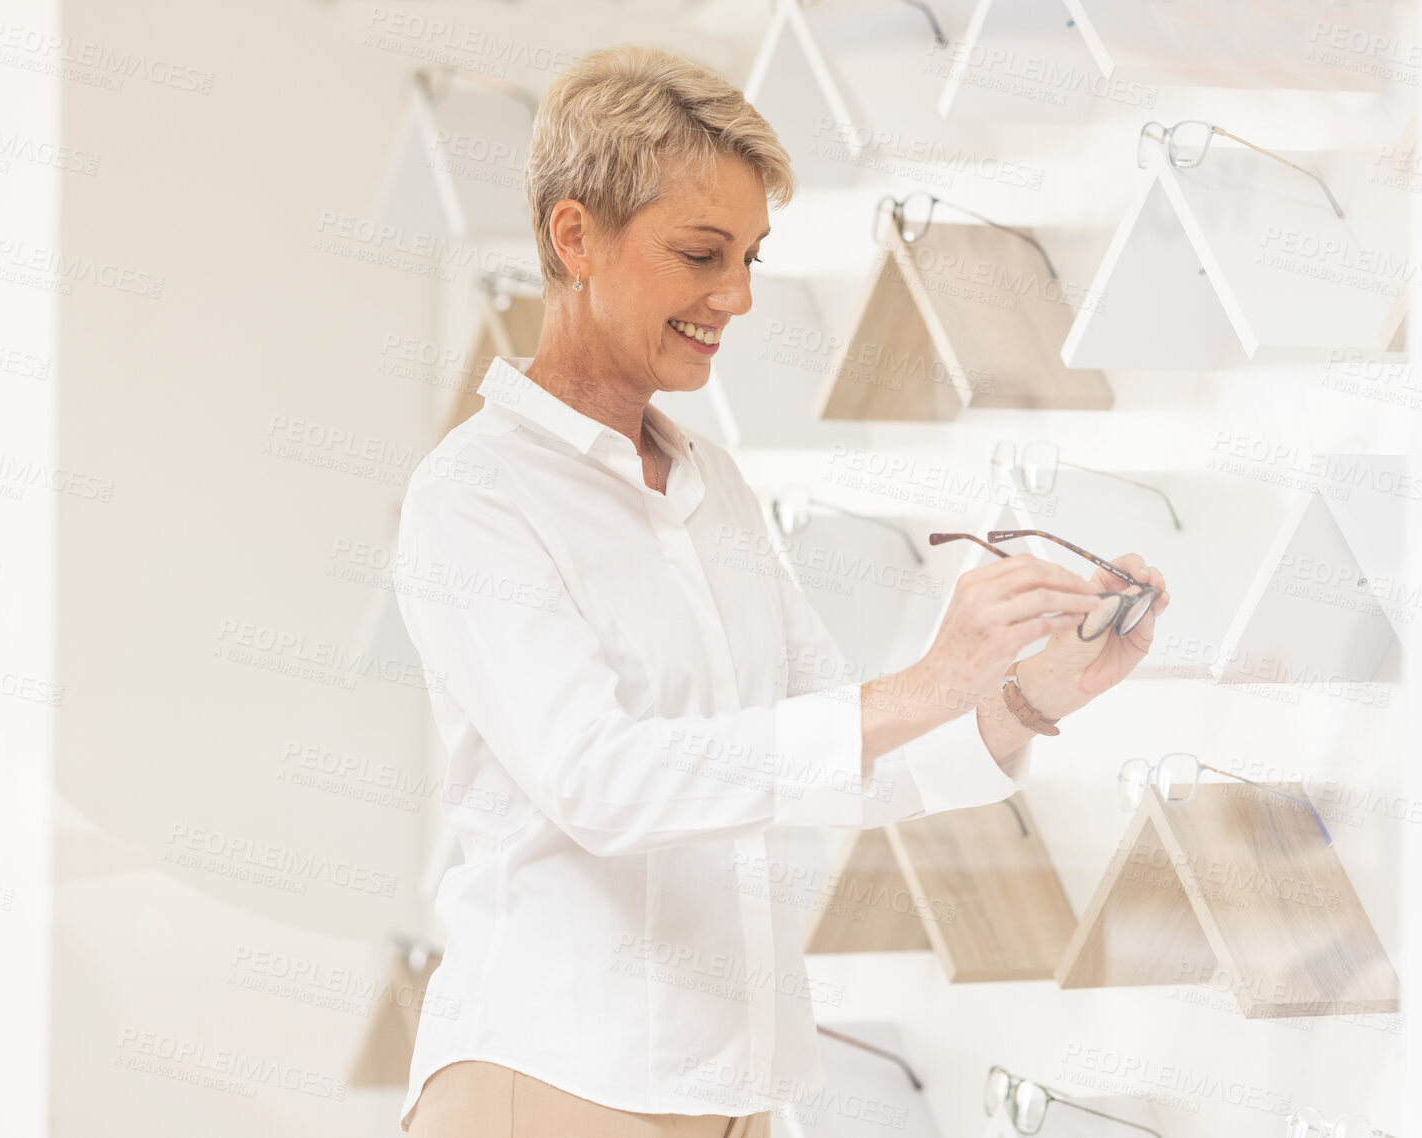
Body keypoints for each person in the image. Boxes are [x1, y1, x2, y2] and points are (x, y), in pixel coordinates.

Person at [392, 43, 1170, 1138]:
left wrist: (1023, 699)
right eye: (701, 252)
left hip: (735, 1097)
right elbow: (601, 783)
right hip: (557, 1085)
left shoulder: (714, 488)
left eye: (752, 256)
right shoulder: (473, 496)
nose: (738, 295)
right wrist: (919, 682)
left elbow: (834, 766)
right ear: (576, 237)